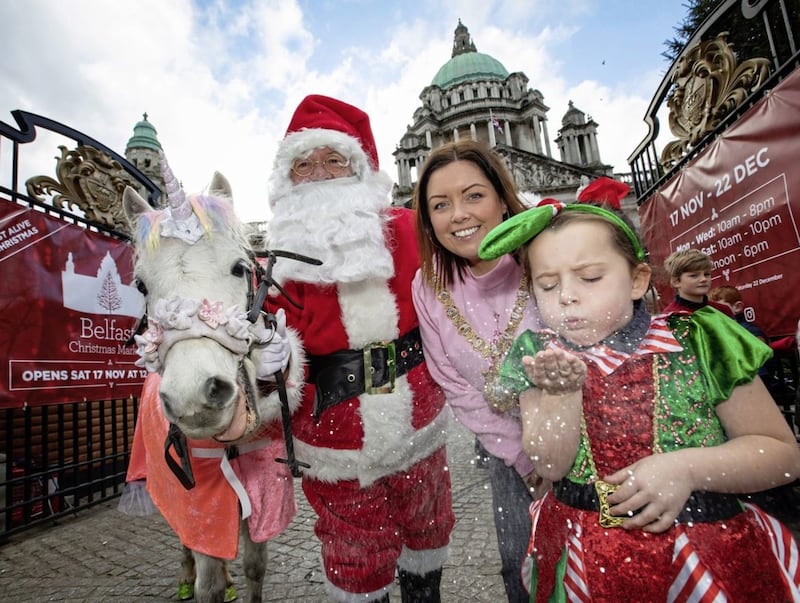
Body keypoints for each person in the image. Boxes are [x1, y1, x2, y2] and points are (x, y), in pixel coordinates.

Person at [477, 201, 800, 600]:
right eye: (547, 285)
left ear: (637, 280)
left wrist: (688, 470)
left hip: (702, 551)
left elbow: (781, 455)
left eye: (590, 277)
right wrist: (561, 395)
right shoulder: (539, 357)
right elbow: (550, 465)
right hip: (581, 553)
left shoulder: (698, 340)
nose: (566, 296)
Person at [261, 94, 454, 603]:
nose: (319, 174)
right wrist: (272, 362)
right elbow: (272, 337)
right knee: (353, 553)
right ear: (289, 178)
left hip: (420, 419)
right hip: (333, 430)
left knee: (428, 526)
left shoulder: (411, 229)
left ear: (359, 165)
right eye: (304, 164)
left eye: (332, 159)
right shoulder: (276, 259)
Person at [410, 139, 543, 603]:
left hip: (596, 443)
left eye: (474, 195)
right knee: (521, 568)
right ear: (428, 220)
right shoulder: (427, 285)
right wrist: (525, 460)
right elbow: (453, 382)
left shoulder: (546, 252)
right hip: (511, 457)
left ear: (502, 198)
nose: (459, 215)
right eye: (440, 205)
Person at [661, 248, 734, 316]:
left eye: (706, 274)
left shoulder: (723, 310)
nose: (703, 279)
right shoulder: (671, 317)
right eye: (694, 275)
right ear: (676, 281)